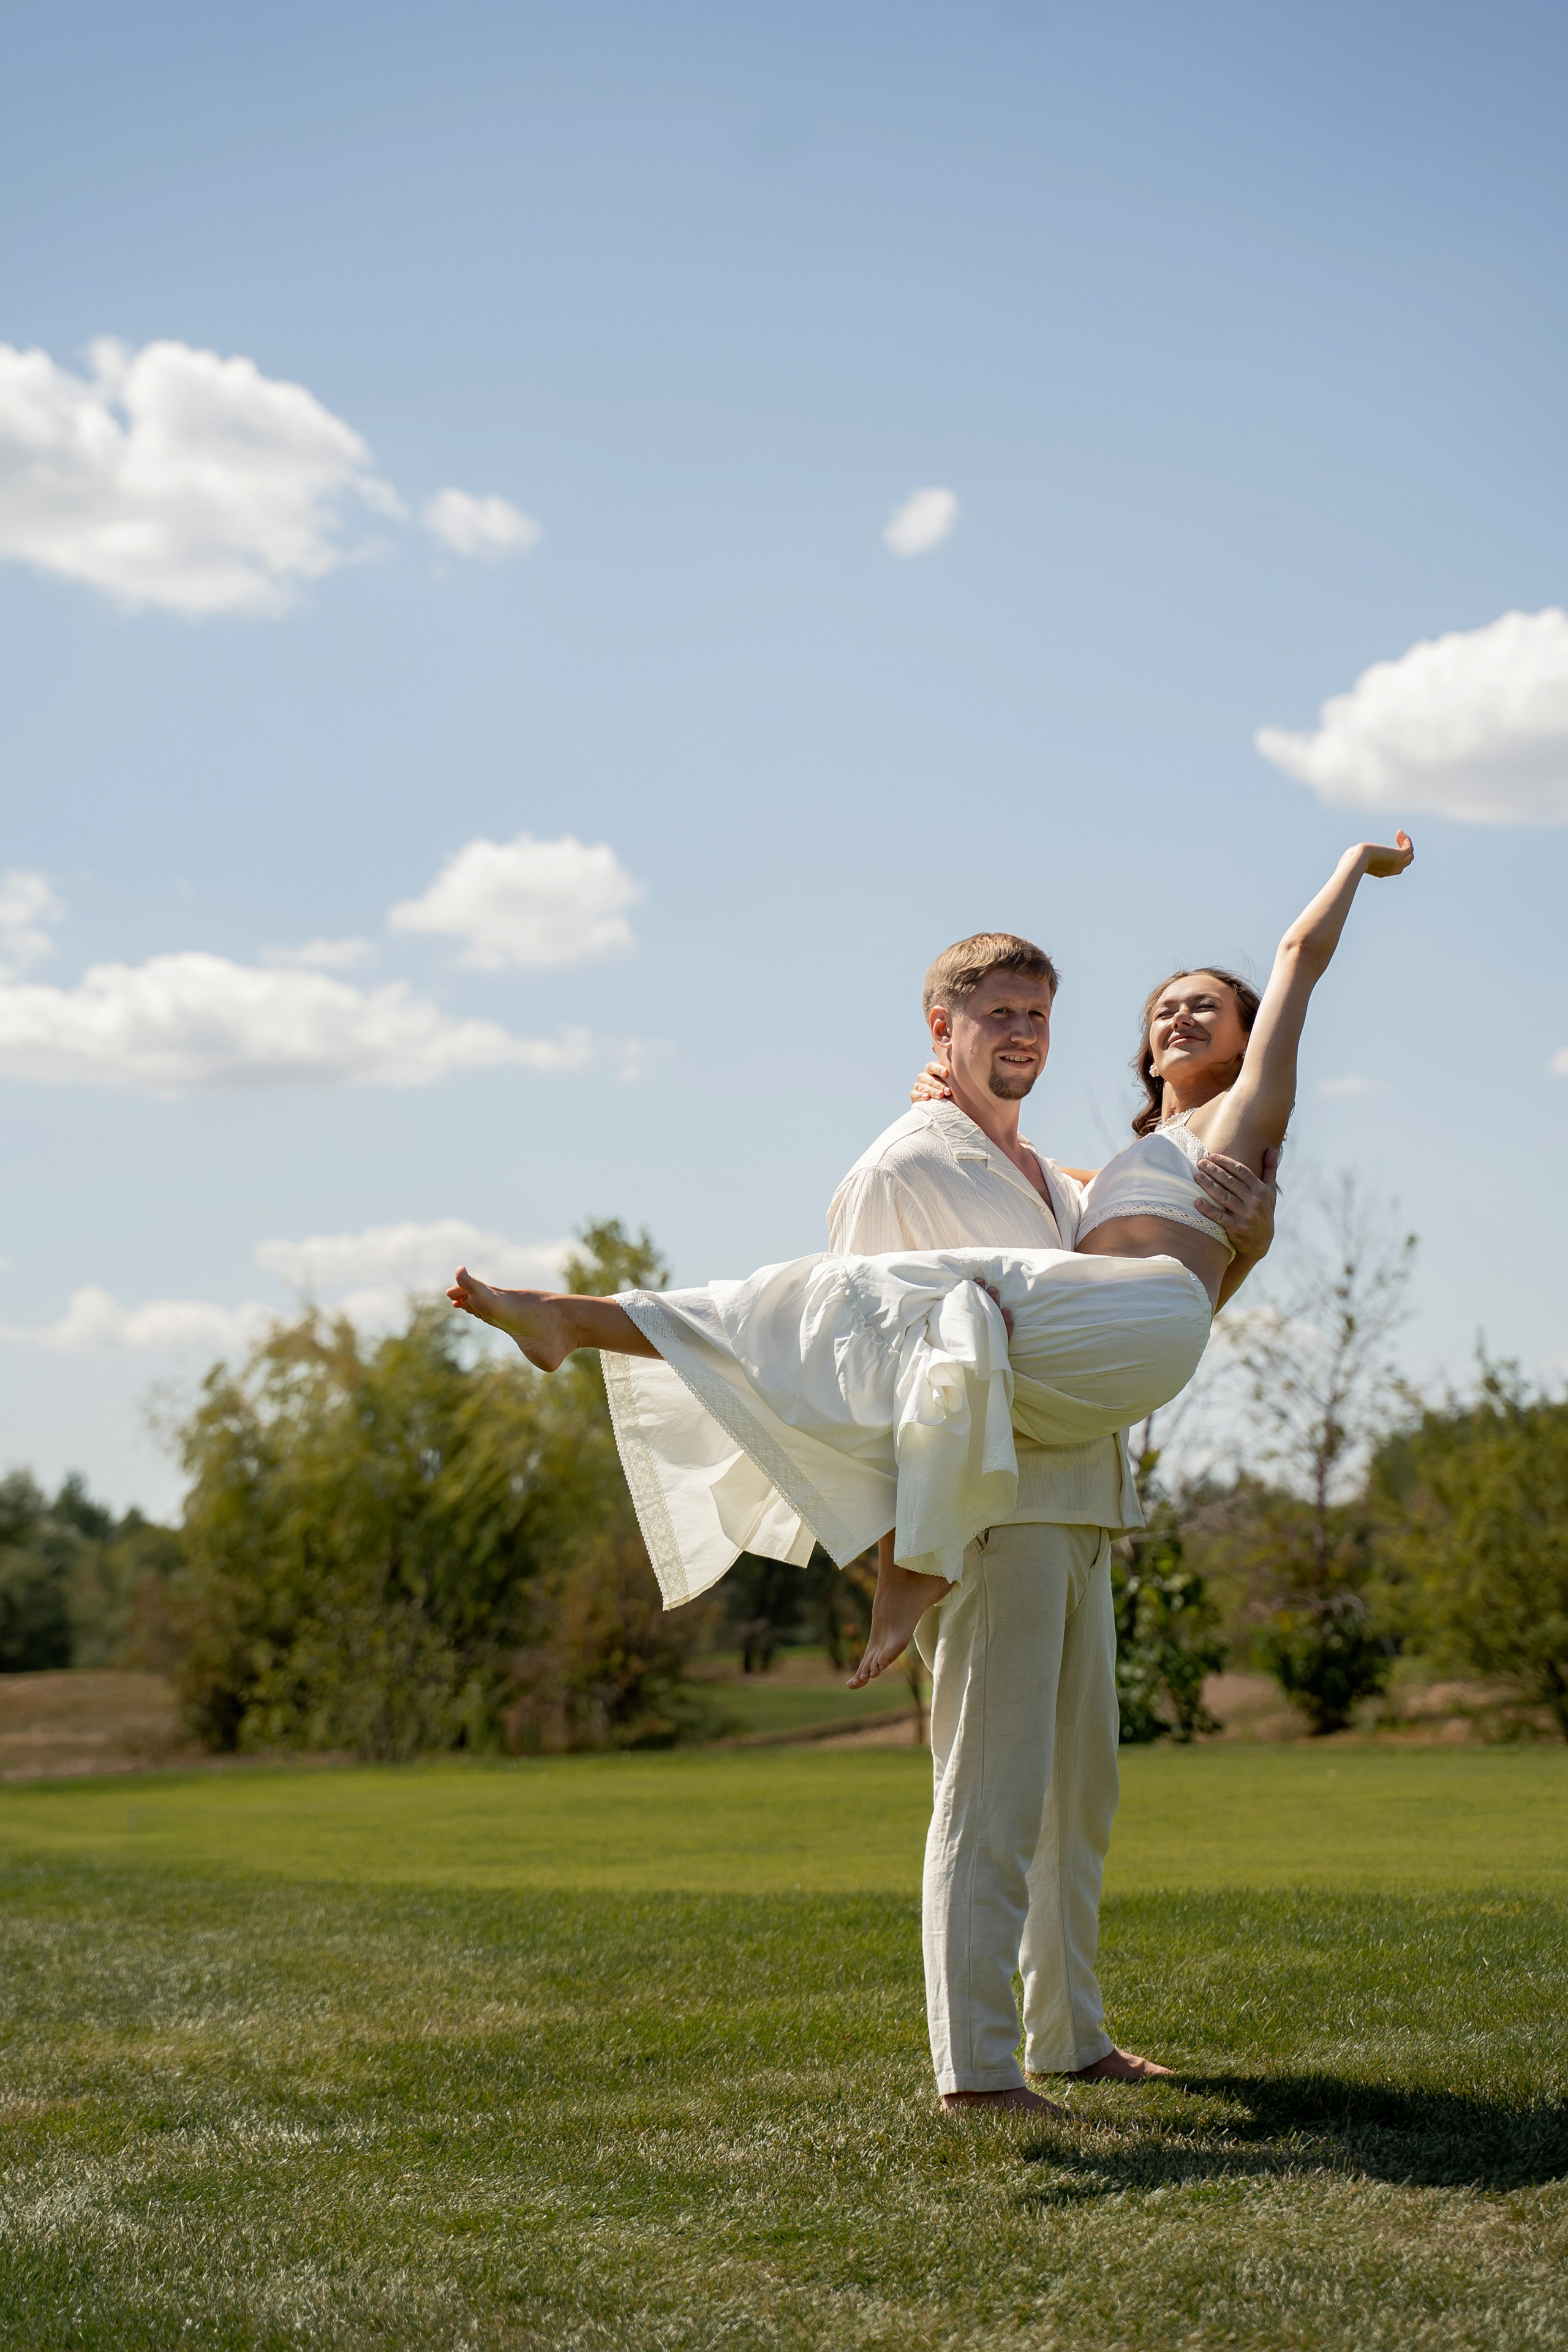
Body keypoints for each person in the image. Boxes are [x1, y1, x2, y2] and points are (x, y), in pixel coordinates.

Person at [447, 834, 1412, 2112]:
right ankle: (975, 2070)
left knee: (1077, 1802)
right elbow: (860, 1365)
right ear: (939, 1026)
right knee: (992, 1780)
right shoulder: (913, 1159)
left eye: (1034, 1014)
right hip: (991, 1512)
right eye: (992, 1013)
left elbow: (1158, 1262)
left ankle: (1069, 2031)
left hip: (1080, 1503)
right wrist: (909, 1527)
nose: (1019, 1029)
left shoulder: (1064, 1177)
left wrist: (1254, 1223)